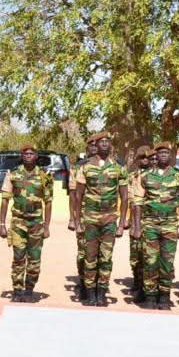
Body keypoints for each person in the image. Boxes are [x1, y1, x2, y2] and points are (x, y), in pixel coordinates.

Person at [73, 131, 127, 306]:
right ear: (95, 145)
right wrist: (77, 222)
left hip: (109, 219)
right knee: (90, 257)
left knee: (106, 258)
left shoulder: (119, 167)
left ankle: (102, 293)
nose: (104, 144)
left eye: (107, 142)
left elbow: (125, 197)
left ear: (110, 145)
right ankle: (90, 293)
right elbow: (78, 196)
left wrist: (121, 224)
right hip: (90, 219)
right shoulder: (85, 167)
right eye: (101, 142)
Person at [132, 141, 179, 310]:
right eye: (160, 153)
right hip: (150, 224)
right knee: (150, 261)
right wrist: (137, 227)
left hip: (170, 224)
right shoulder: (146, 176)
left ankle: (164, 296)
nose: (163, 155)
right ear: (156, 155)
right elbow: (137, 203)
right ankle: (150, 296)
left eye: (166, 153)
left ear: (170, 156)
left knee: (167, 262)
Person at [0, 144, 53, 302]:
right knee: (18, 257)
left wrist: (46, 226)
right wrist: (2, 225)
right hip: (18, 223)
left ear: (36, 156)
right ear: (22, 156)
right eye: (26, 153)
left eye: (31, 153)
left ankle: (29, 290)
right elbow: (5, 200)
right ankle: (17, 291)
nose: (28, 155)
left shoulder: (44, 176)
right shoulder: (13, 174)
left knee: (35, 260)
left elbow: (48, 202)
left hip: (36, 223)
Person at [68, 139, 98, 300]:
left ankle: (97, 284)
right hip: (84, 216)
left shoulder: (107, 166)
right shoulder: (78, 167)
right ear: (86, 148)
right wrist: (73, 218)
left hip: (101, 216)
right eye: (91, 145)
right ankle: (83, 283)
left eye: (96, 145)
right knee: (83, 252)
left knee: (100, 252)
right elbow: (73, 195)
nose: (94, 147)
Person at [126, 145, 152, 302]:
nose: (145, 160)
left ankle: (145, 287)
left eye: (147, 157)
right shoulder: (132, 177)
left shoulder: (153, 175)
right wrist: (130, 221)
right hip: (135, 220)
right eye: (142, 157)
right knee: (135, 255)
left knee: (148, 256)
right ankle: (137, 281)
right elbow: (130, 200)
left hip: (150, 221)